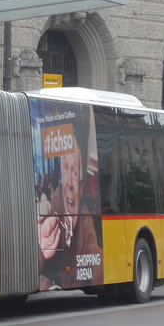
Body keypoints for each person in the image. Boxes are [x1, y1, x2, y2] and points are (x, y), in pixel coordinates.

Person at [36, 115, 102, 290]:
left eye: (75, 170)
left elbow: (98, 260)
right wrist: (39, 253)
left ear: (82, 181)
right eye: (66, 168)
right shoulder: (53, 208)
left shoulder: (84, 217)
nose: (69, 183)